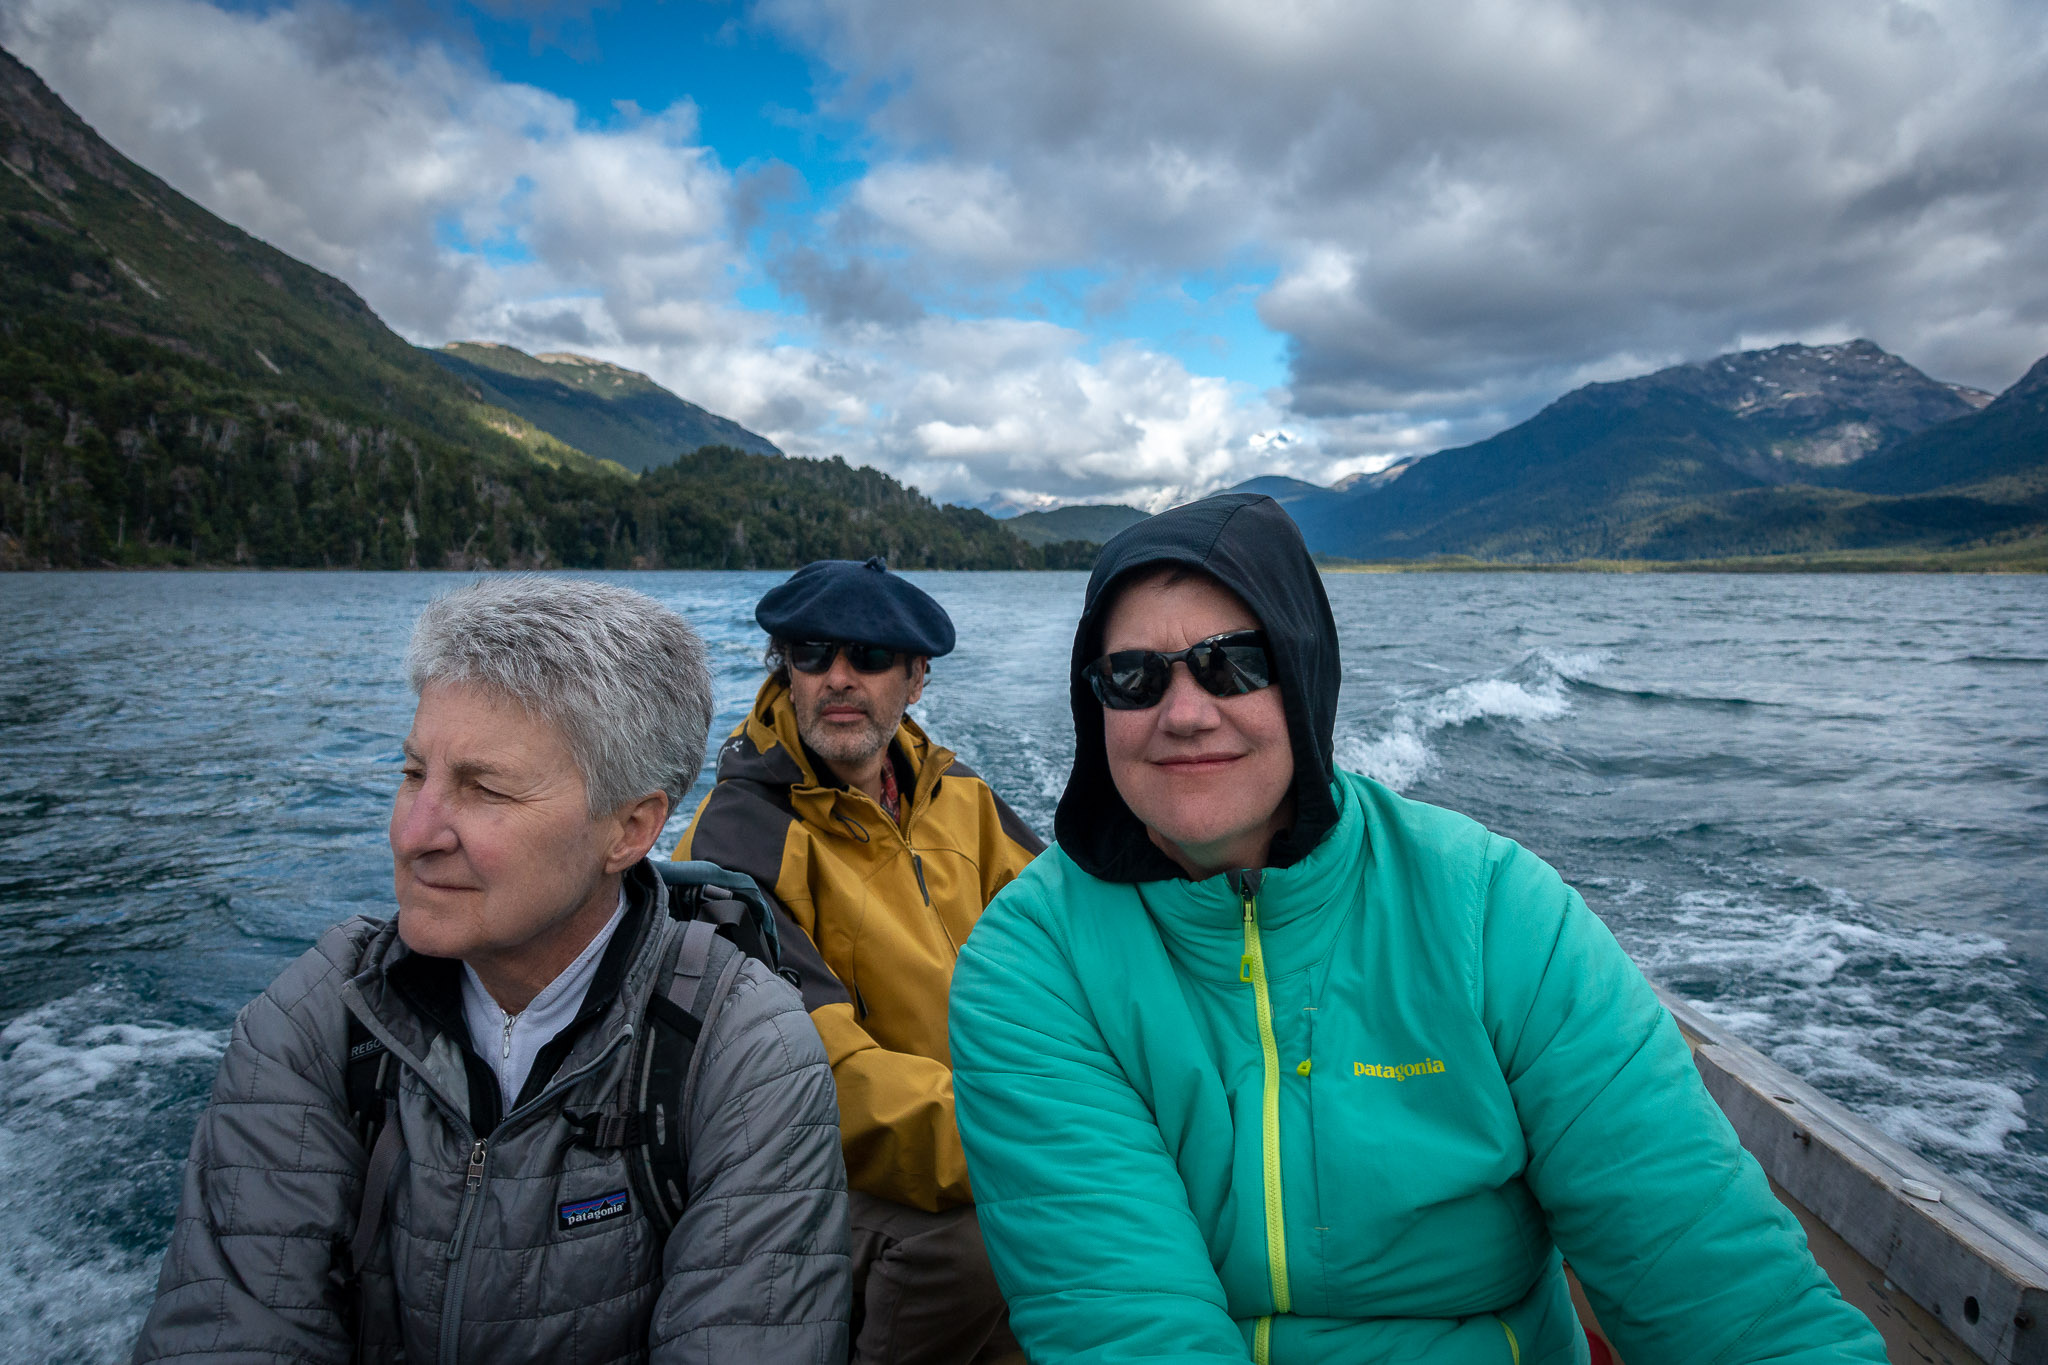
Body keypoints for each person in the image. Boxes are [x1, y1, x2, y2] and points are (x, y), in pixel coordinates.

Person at [947, 494, 1889, 1364]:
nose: (1186, 712)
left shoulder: (1494, 911)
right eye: (1134, 675)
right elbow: (1131, 1325)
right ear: (1095, 700)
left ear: (1306, 673)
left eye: (1238, 661)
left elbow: (1724, 1290)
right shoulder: (1035, 967)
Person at [133, 577, 850, 1364]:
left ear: (631, 828)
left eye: (484, 789)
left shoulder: (744, 1055)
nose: (414, 832)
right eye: (413, 774)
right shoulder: (317, 1019)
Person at [673, 555, 1042, 1365]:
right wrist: (1027, 1134)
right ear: (788, 673)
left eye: (868, 656)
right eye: (813, 655)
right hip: (813, 1170)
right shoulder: (741, 837)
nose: (839, 677)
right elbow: (813, 1069)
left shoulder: (961, 797)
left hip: (985, 1131)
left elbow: (1081, 936)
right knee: (979, 1245)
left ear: (916, 680)